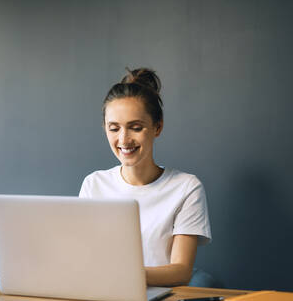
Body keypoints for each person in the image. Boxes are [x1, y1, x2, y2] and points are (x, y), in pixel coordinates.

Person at [79, 68, 212, 286]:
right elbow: (84, 256)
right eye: (114, 128)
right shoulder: (93, 184)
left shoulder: (187, 188)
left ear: (157, 127)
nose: (124, 139)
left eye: (136, 127)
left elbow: (181, 271)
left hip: (160, 296)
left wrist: (123, 276)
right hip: (103, 294)